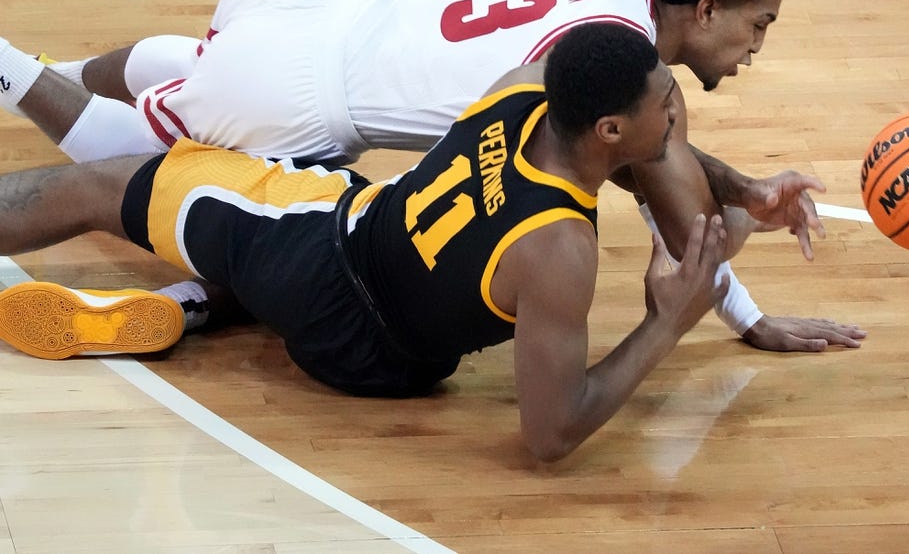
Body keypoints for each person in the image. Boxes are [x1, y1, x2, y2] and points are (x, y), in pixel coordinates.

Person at [0, 0, 866, 352]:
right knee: (124, 172)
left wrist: (745, 187)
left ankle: (63, 80)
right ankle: (12, 69)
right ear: (706, 9)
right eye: (759, 24)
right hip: (299, 92)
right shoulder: (633, 75)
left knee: (182, 79)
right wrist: (749, 319)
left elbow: (658, 160)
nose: (759, 47)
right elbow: (683, 215)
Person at [0, 24, 734, 462]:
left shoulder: (525, 85)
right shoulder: (557, 249)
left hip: (333, 262)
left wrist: (737, 204)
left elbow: (550, 435)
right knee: (227, 185)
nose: (676, 109)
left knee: (117, 183)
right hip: (371, 328)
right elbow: (552, 432)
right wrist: (667, 319)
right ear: (608, 132)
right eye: (664, 100)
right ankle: (196, 303)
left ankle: (219, 286)